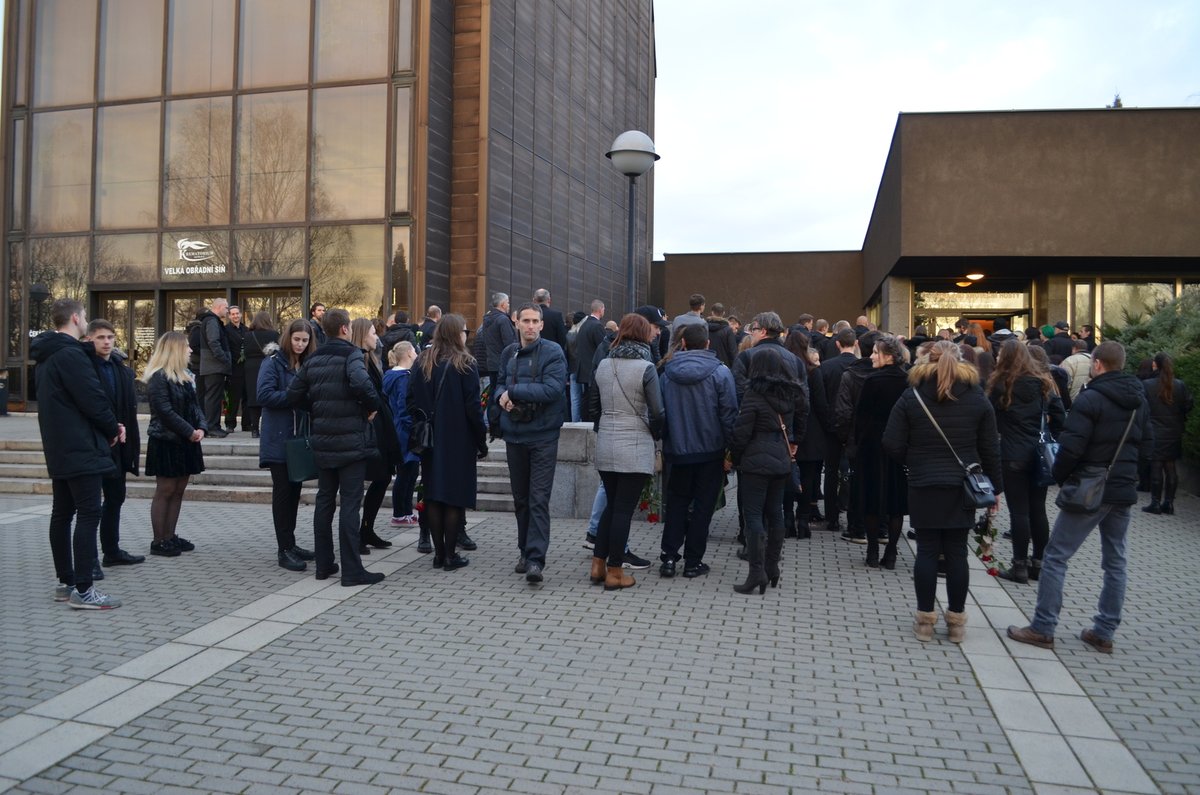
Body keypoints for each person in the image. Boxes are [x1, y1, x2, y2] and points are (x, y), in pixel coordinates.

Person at [1008, 341, 1153, 654]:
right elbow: (1147, 445)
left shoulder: (1092, 398)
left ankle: (1043, 627)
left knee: (1056, 556)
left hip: (1090, 486)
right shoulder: (1139, 400)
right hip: (1122, 488)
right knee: (1116, 561)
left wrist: (1059, 477)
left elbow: (1072, 445)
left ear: (1097, 363)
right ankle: (1104, 631)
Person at [883, 340, 1001, 643]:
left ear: (926, 360)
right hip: (962, 485)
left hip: (923, 483)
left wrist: (913, 461)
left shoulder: (912, 395)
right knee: (957, 552)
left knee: (926, 551)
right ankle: (956, 623)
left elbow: (891, 442)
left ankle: (925, 620)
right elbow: (990, 447)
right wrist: (995, 490)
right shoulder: (976, 396)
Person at [31, 299, 123, 609]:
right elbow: (92, 398)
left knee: (63, 513)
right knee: (88, 512)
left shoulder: (48, 355)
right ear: (74, 318)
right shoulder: (70, 354)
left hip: (60, 446)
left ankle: (66, 583)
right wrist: (113, 428)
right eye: (84, 317)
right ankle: (83, 590)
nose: (86, 321)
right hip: (79, 445)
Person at [287, 308, 384, 587]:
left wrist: (316, 409)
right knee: (350, 506)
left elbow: (294, 395)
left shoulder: (313, 359)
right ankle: (352, 571)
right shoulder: (351, 354)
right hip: (351, 442)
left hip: (323, 441)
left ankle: (324, 565)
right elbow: (361, 383)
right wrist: (371, 407)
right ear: (344, 329)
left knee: (325, 501)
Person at [587, 313, 664, 591]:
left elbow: (591, 407)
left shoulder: (604, 364)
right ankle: (615, 572)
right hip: (634, 444)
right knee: (623, 510)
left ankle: (597, 564)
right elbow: (657, 411)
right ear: (644, 335)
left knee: (611, 506)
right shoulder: (646, 367)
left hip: (607, 441)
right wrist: (657, 434)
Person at [495, 303, 568, 583]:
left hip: (543, 436)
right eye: (525, 320)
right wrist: (503, 394)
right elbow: (499, 381)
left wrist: (512, 391)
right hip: (515, 435)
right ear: (516, 322)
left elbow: (552, 389)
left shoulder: (553, 351)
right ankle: (524, 551)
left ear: (541, 324)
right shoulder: (508, 353)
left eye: (534, 321)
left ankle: (536, 560)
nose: (530, 325)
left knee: (538, 499)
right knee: (521, 499)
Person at [409, 314, 488, 569]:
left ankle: (438, 554)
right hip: (458, 438)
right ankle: (450, 555)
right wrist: (481, 439)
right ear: (457, 334)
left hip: (429, 439)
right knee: (454, 496)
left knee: (433, 493)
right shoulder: (465, 363)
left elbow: (409, 399)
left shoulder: (422, 361)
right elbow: (473, 407)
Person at [659, 323, 737, 578]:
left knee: (676, 503)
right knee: (703, 507)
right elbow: (728, 414)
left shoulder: (666, 373)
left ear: (682, 344)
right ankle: (693, 561)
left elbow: (659, 413)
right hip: (710, 450)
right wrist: (731, 449)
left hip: (678, 451)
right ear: (707, 344)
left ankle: (669, 557)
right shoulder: (721, 373)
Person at [987, 339, 1066, 583]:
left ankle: (1019, 565)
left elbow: (989, 420)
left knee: (1019, 512)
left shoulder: (1001, 385)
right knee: (1038, 510)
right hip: (1039, 455)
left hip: (1011, 453)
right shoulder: (1044, 384)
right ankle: (1039, 563)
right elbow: (1060, 418)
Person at [729, 347, 806, 595]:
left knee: (753, 515)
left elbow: (742, 432)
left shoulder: (754, 394)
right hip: (781, 460)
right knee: (776, 512)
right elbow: (800, 419)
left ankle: (756, 572)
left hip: (754, 460)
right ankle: (773, 567)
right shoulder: (790, 394)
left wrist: (736, 457)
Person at [84, 319, 144, 578]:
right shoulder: (85, 367)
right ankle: (89, 560)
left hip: (120, 444)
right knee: (91, 506)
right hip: (95, 444)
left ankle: (112, 550)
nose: (107, 342)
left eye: (110, 337)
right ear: (89, 340)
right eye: (100, 338)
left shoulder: (120, 368)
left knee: (115, 497)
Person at [257, 319, 317, 571]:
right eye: (296, 339)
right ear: (288, 338)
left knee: (294, 492)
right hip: (278, 439)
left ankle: (290, 544)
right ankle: (284, 549)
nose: (300, 344)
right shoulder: (272, 362)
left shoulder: (306, 363)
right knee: (283, 494)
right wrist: (295, 396)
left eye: (305, 340)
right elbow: (263, 394)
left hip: (297, 439)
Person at [143, 331, 206, 559]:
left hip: (186, 441)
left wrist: (201, 428)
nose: (190, 350)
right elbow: (165, 411)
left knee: (179, 490)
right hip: (166, 441)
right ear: (175, 350)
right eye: (186, 346)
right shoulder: (158, 377)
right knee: (166, 490)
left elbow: (196, 407)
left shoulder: (185, 376)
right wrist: (189, 431)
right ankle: (159, 540)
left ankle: (170, 535)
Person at [853, 334, 910, 569]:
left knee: (872, 498)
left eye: (876, 353)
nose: (872, 356)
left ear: (888, 356)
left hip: (873, 446)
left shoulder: (873, 381)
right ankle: (892, 551)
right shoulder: (908, 380)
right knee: (896, 501)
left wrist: (857, 445)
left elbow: (861, 416)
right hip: (900, 446)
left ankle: (873, 550)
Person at [350, 318, 402, 554]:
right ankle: (359, 535)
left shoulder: (371, 359)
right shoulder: (357, 360)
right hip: (369, 428)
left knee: (382, 477)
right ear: (362, 335)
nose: (377, 337)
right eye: (372, 333)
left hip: (381, 427)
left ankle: (367, 528)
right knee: (371, 479)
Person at [787, 329, 832, 535]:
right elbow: (821, 405)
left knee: (785, 476)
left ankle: (787, 520)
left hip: (787, 428)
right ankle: (803, 520)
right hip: (812, 431)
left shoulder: (783, 368)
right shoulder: (813, 371)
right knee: (808, 477)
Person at [1141, 352, 1193, 515]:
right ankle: (1169, 503)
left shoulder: (1147, 385)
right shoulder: (1179, 385)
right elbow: (1188, 404)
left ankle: (1155, 503)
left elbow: (1141, 407)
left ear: (1155, 365)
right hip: (1174, 430)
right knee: (1170, 466)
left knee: (1156, 464)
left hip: (1154, 429)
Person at [817, 328, 858, 532]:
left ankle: (832, 517)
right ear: (856, 344)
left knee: (831, 471)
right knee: (853, 471)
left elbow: (821, 400)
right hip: (855, 429)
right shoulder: (861, 368)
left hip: (831, 427)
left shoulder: (826, 367)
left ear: (837, 344)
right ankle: (852, 514)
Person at [383, 341, 422, 529]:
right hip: (405, 432)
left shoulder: (390, 376)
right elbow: (404, 406)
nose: (416, 354)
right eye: (414, 351)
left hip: (397, 429)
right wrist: (414, 427)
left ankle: (406, 511)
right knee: (406, 473)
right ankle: (400, 513)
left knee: (409, 472)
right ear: (408, 353)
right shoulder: (403, 378)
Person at [196, 297, 231, 438]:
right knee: (213, 398)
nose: (228, 311)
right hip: (214, 367)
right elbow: (214, 342)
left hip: (214, 366)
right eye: (226, 308)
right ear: (219, 307)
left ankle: (214, 426)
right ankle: (211, 427)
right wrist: (225, 359)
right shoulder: (211, 321)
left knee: (215, 398)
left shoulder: (211, 321)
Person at [241, 311, 280, 438]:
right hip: (269, 365)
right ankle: (268, 426)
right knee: (268, 392)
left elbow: (245, 352)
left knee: (253, 396)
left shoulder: (247, 335)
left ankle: (254, 429)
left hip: (251, 367)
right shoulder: (274, 334)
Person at [574, 300, 608, 415]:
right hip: (592, 370)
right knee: (590, 400)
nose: (604, 312)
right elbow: (604, 348)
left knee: (585, 399)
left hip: (583, 368)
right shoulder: (597, 326)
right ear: (600, 310)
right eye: (604, 309)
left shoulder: (583, 325)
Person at [479, 292, 516, 391]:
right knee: (501, 392)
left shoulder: (486, 319)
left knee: (493, 393)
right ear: (503, 304)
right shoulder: (503, 320)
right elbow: (510, 343)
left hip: (491, 363)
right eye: (508, 302)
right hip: (503, 364)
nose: (508, 305)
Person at [224, 305, 247, 432]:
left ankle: (246, 424)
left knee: (247, 397)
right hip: (232, 368)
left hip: (246, 369)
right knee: (231, 399)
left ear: (241, 314)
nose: (235, 316)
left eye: (237, 313)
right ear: (229, 316)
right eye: (232, 314)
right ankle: (230, 424)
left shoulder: (247, 329)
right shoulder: (225, 330)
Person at [705, 302, 739, 368]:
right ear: (723, 313)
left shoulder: (704, 328)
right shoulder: (728, 330)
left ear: (712, 312)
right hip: (723, 366)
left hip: (707, 364)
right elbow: (733, 351)